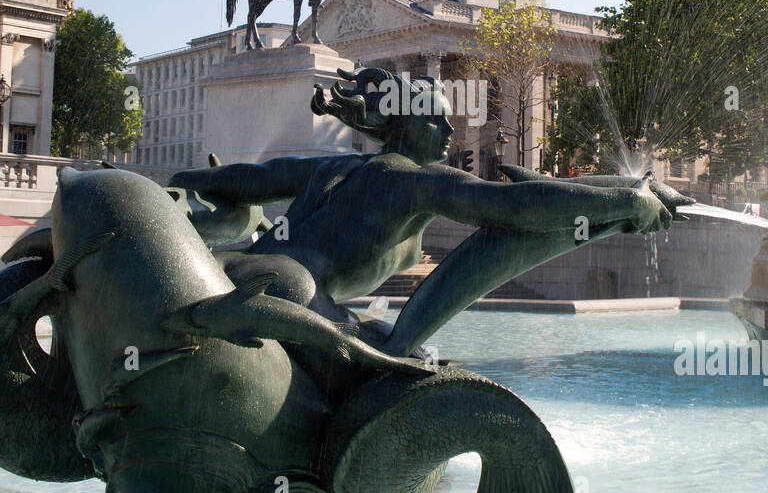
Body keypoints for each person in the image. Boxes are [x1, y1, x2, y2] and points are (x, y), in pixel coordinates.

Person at [168, 68, 686, 369]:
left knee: (394, 346)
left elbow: (248, 178)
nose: (447, 129)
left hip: (234, 276)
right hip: (290, 299)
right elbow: (512, 209)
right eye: (433, 118)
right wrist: (621, 205)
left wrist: (184, 184)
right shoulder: (414, 179)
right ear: (402, 122)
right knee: (398, 358)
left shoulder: (337, 166)